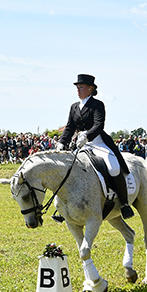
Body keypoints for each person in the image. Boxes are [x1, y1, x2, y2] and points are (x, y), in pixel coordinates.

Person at [58, 74, 133, 219]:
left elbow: (99, 125)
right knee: (67, 169)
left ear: (90, 88)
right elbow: (69, 128)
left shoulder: (97, 105)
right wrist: (62, 143)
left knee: (113, 168)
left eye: (81, 87)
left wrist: (87, 136)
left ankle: (124, 204)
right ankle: (65, 206)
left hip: (97, 142)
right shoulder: (74, 107)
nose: (78, 90)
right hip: (80, 144)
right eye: (77, 88)